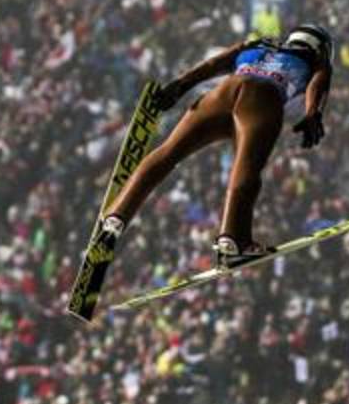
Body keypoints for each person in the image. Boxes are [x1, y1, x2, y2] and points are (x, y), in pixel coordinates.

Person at [97, 24, 334, 264]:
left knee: (169, 151)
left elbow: (214, 64)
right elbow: (319, 83)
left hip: (221, 94)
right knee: (247, 168)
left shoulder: (258, 45)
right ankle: (233, 239)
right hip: (263, 98)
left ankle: (116, 215)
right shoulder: (315, 59)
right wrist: (313, 112)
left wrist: (181, 85)